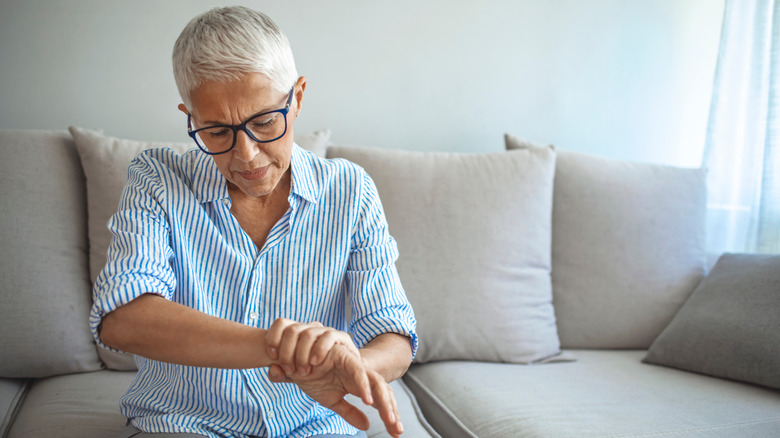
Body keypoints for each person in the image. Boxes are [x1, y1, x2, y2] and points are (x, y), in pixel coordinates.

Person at [90, 6, 417, 438]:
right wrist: (276, 346)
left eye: (264, 122)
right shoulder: (157, 178)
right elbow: (122, 317)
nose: (246, 155)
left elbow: (393, 332)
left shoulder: (350, 190)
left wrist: (349, 366)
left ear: (297, 97)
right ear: (190, 116)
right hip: (186, 424)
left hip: (314, 425)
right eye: (217, 132)